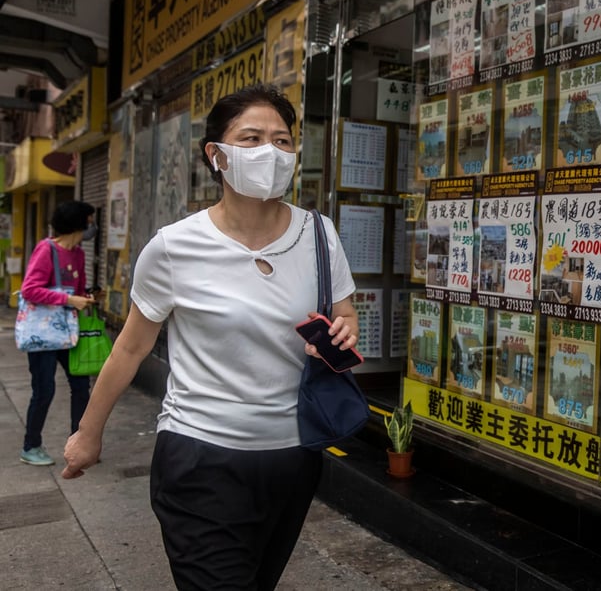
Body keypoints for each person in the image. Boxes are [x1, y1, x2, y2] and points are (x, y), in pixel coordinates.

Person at [62, 84, 360, 590]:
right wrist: (89, 433)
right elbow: (131, 347)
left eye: (282, 141)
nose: (270, 151)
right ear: (216, 155)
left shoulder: (320, 233)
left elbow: (346, 316)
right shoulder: (175, 247)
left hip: (294, 457)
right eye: (251, 138)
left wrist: (345, 331)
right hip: (201, 457)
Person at [19, 200, 98, 466]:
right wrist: (68, 300)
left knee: (81, 387)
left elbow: (78, 289)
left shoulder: (78, 253)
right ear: (78, 223)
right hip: (43, 335)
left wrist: (86, 298)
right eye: (89, 220)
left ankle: (80, 443)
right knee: (44, 390)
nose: (92, 226)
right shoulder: (46, 249)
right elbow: (30, 289)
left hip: (69, 332)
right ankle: (30, 446)